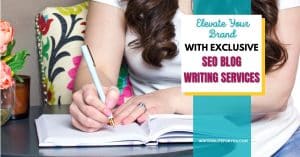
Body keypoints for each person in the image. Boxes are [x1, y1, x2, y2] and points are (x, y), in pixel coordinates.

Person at [70, 0, 300, 156]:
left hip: (268, 143)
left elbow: (276, 92)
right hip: (157, 146)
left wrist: (173, 99)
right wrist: (91, 95)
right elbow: (98, 66)